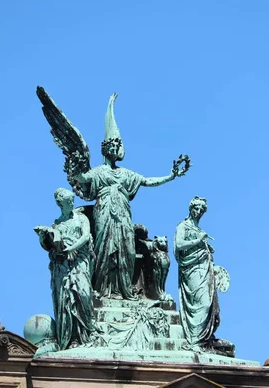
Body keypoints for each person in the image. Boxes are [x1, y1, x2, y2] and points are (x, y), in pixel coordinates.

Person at [72, 93, 188, 300]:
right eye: (113, 146)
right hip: (105, 212)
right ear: (106, 149)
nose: (117, 149)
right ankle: (103, 290)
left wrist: (171, 176)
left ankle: (124, 290)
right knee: (105, 248)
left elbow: (147, 181)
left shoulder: (126, 174)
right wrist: (76, 162)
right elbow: (81, 178)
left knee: (125, 247)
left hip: (123, 213)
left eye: (119, 146)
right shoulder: (98, 172)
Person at [35, 188, 99, 350]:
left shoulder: (81, 218)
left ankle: (87, 334)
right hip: (62, 265)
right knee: (65, 300)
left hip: (79, 261)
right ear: (59, 203)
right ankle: (71, 339)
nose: (72, 203)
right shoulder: (56, 224)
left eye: (72, 200)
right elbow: (49, 245)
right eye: (68, 201)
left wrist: (71, 249)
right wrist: (44, 237)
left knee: (82, 294)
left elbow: (85, 236)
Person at [174, 196, 220, 349]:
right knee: (201, 304)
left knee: (209, 304)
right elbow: (179, 245)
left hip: (204, 269)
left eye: (201, 210)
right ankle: (194, 340)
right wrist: (198, 241)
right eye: (196, 208)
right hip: (191, 269)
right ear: (190, 208)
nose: (198, 212)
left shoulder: (199, 230)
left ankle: (201, 341)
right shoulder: (183, 226)